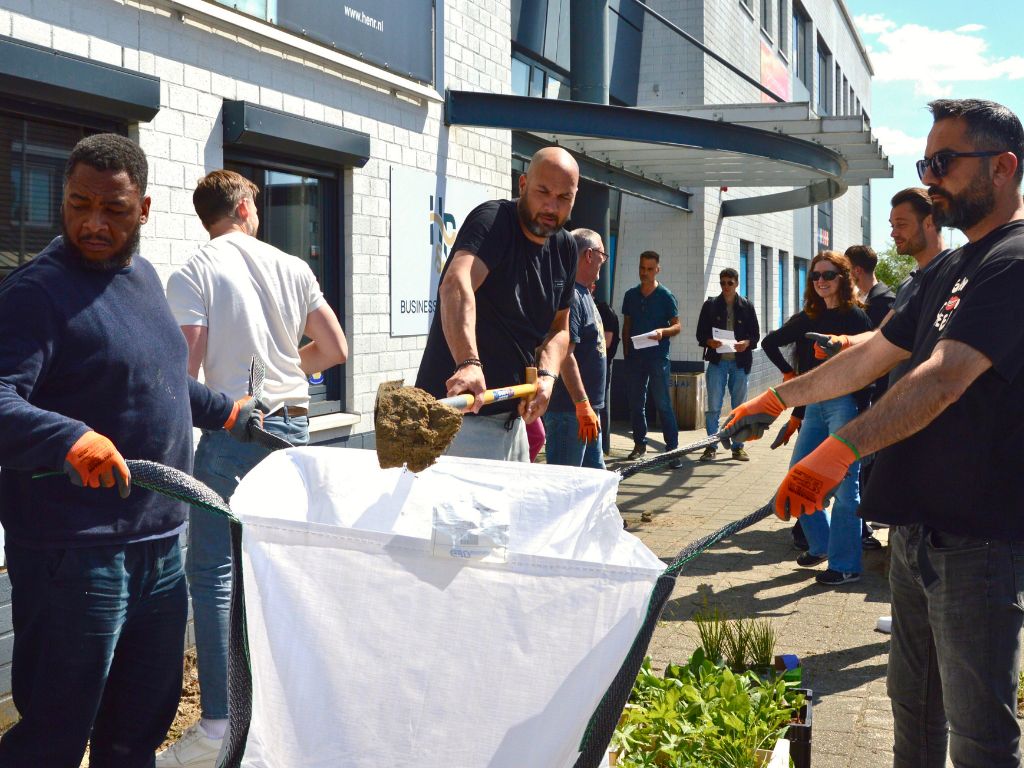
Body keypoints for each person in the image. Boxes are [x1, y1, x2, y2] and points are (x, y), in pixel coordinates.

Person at [722, 98, 1024, 767]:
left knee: (979, 737)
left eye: (944, 162)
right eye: (926, 162)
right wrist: (778, 397)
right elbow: (874, 352)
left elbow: (944, 377)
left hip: (978, 545)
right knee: (911, 713)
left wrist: (837, 451)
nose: (932, 176)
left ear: (1003, 167)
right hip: (916, 534)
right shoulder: (947, 269)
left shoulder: (1016, 260)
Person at [0, 134, 260, 768]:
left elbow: (158, 378)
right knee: (54, 736)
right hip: (75, 552)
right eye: (78, 203)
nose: (93, 223)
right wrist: (71, 437)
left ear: (142, 209)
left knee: (137, 730)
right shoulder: (35, 293)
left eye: (113, 209)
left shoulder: (141, 277)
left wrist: (225, 411)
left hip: (156, 546)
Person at [160, 170, 348, 766]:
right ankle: (281, 713)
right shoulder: (292, 266)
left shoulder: (196, 269)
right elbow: (334, 348)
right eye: (258, 205)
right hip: (293, 426)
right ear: (243, 207)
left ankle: (219, 723)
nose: (260, 214)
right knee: (281, 568)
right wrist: (278, 370)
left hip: (233, 430)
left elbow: (184, 372)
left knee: (214, 573)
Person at [414, 147, 578, 461]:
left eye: (563, 197)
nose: (551, 205)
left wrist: (547, 377)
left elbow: (559, 330)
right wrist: (468, 363)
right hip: (457, 421)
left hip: (513, 423)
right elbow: (456, 284)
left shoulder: (565, 248)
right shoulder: (494, 221)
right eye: (544, 191)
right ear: (523, 184)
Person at [756, 251, 872, 586]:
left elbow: (871, 367)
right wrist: (790, 374)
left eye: (829, 275)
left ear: (844, 278)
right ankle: (820, 544)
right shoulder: (809, 316)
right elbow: (770, 342)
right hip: (815, 405)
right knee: (798, 476)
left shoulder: (856, 317)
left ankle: (846, 564)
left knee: (846, 489)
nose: (821, 281)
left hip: (846, 406)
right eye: (815, 276)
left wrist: (843, 354)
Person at [844, 244, 894, 551]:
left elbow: (879, 349)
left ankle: (864, 521)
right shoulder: (863, 299)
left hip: (878, 391)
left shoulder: (883, 301)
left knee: (865, 459)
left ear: (856, 271)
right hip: (864, 389)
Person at [544, 229, 607, 469]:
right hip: (571, 413)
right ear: (589, 255)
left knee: (595, 484)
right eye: (603, 254)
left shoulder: (584, 294)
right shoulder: (571, 295)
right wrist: (582, 404)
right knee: (566, 489)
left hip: (586, 412)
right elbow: (564, 353)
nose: (604, 261)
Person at [621, 251, 682, 466]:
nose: (644, 273)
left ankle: (672, 451)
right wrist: (626, 353)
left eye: (649, 269)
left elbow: (677, 326)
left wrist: (662, 332)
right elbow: (626, 325)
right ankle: (639, 444)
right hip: (635, 359)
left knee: (663, 403)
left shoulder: (666, 296)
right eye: (641, 268)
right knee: (636, 404)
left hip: (657, 358)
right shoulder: (630, 295)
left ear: (657, 270)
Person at [695, 267, 760, 462]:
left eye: (729, 283)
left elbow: (755, 336)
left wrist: (746, 343)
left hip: (739, 363)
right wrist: (709, 342)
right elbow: (700, 334)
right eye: (722, 283)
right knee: (713, 406)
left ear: (736, 283)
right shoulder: (711, 306)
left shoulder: (746, 306)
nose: (725, 287)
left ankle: (738, 447)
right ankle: (711, 446)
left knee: (739, 407)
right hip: (717, 362)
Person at [593, 284, 620, 457]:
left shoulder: (605, 311)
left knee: (600, 406)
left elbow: (606, 343)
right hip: (585, 367)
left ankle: (601, 448)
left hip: (600, 366)